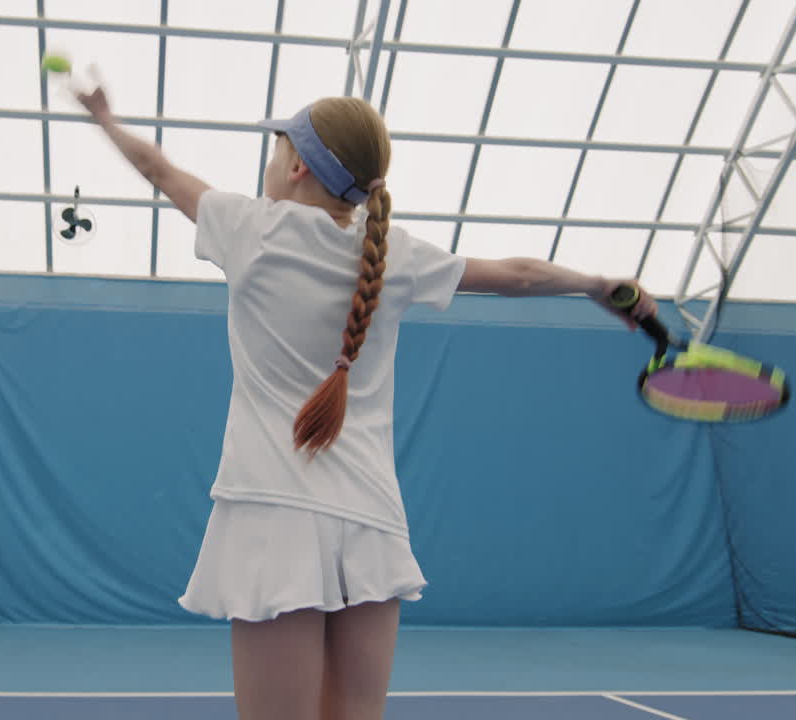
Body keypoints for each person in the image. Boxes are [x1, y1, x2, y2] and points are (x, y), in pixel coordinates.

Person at [72, 84, 657, 720]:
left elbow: (157, 169)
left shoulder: (248, 229)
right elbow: (515, 276)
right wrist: (597, 284)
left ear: (296, 165)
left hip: (276, 520)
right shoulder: (396, 255)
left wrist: (105, 119)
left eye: (277, 147)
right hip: (372, 525)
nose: (270, 160)